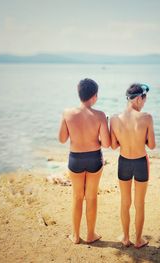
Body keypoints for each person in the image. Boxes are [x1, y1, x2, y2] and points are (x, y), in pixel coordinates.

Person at [58, 78, 111, 244]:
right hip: (94, 158)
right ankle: (90, 235)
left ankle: (75, 236)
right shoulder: (100, 115)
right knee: (92, 197)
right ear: (94, 96)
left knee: (77, 197)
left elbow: (62, 139)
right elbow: (107, 143)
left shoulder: (67, 113)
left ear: (79, 94)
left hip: (75, 159)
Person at [110, 83, 156, 248]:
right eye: (144, 100)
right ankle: (138, 240)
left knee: (125, 201)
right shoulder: (147, 117)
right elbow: (151, 145)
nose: (144, 103)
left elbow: (114, 146)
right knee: (139, 203)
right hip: (141, 163)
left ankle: (125, 237)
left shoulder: (114, 118)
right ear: (138, 98)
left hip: (124, 162)